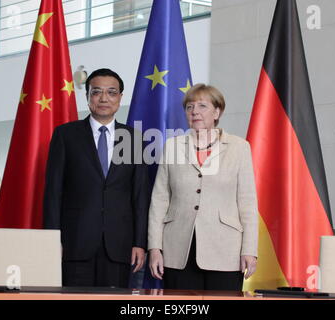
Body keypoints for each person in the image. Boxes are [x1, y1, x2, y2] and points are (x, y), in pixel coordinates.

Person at [43, 68, 149, 288]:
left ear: (120, 98)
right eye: (96, 92)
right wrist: (52, 240)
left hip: (119, 246)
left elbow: (140, 196)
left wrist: (140, 243)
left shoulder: (133, 138)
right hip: (75, 243)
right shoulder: (65, 135)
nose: (104, 98)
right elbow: (53, 193)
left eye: (111, 92)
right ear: (87, 96)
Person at [148, 84, 259, 290]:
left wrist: (249, 250)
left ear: (217, 112)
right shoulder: (172, 146)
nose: (194, 112)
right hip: (177, 249)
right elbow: (159, 200)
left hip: (226, 250)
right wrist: (155, 248)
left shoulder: (239, 147)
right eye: (189, 107)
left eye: (202, 106)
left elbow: (248, 203)